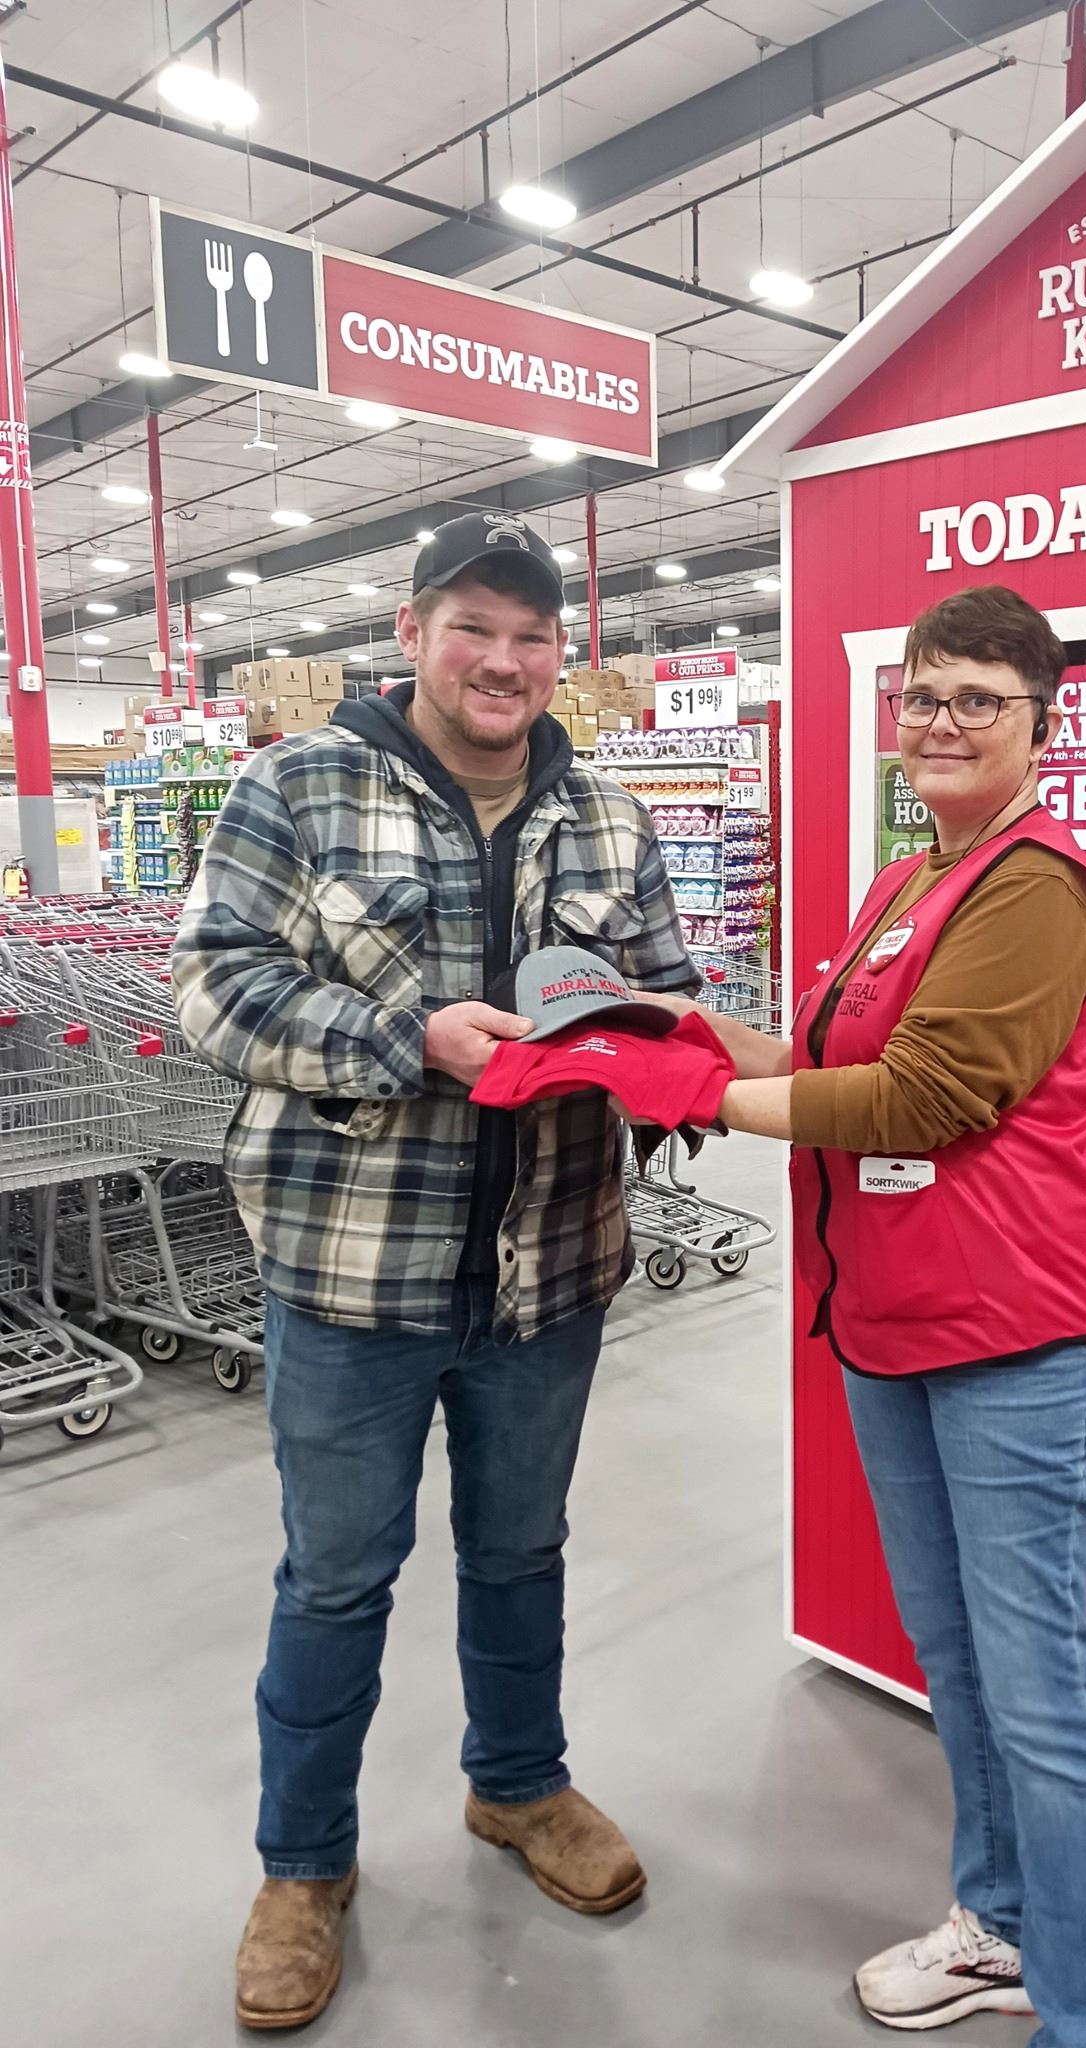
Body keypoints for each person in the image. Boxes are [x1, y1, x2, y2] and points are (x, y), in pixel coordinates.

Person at [172, 512, 700, 2030]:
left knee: (521, 1550)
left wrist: (665, 1057)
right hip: (352, 1275)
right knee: (337, 1578)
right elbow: (216, 987)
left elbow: (660, 989)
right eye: (477, 625)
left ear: (559, 659)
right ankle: (304, 1865)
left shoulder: (604, 814)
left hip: (550, 1268)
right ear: (413, 632)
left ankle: (517, 1787)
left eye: (534, 637)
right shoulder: (299, 787)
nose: (505, 660)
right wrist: (410, 1043)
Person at [658, 586, 1086, 2047]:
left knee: (1040, 1689)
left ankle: (1085, 2015)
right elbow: (819, 1059)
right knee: (955, 1657)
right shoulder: (907, 880)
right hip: (902, 1321)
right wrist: (646, 1034)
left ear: (1040, 724)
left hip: (1023, 1331)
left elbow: (929, 1098)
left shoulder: (1036, 882)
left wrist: (703, 1100)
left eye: (975, 700)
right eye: (921, 695)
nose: (938, 722)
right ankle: (996, 1923)